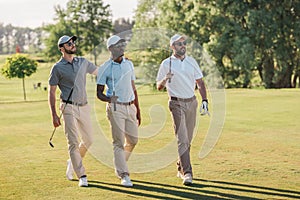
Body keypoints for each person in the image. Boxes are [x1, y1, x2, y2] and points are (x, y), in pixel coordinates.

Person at [156, 34, 209, 186]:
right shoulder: (166, 63)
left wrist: (205, 100)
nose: (183, 46)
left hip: (192, 102)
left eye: (184, 43)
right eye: (179, 44)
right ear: (172, 47)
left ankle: (180, 166)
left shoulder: (192, 61)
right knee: (182, 139)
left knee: (188, 139)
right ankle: (187, 173)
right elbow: (159, 86)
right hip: (176, 103)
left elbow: (200, 82)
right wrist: (166, 78)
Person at [48, 35, 98, 187]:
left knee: (89, 140)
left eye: (73, 42)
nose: (72, 44)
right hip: (68, 107)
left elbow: (99, 71)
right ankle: (81, 175)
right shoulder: (57, 68)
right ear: (62, 49)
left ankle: (72, 162)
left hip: (84, 106)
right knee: (73, 142)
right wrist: (54, 115)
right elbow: (51, 92)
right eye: (69, 43)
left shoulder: (82, 62)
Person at [96, 35, 141, 187]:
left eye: (122, 44)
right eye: (118, 45)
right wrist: (109, 99)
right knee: (119, 143)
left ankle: (119, 163)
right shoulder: (104, 68)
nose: (121, 47)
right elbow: (99, 93)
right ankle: (124, 173)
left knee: (133, 140)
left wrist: (138, 110)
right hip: (116, 108)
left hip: (131, 107)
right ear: (110, 49)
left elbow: (133, 88)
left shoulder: (129, 64)